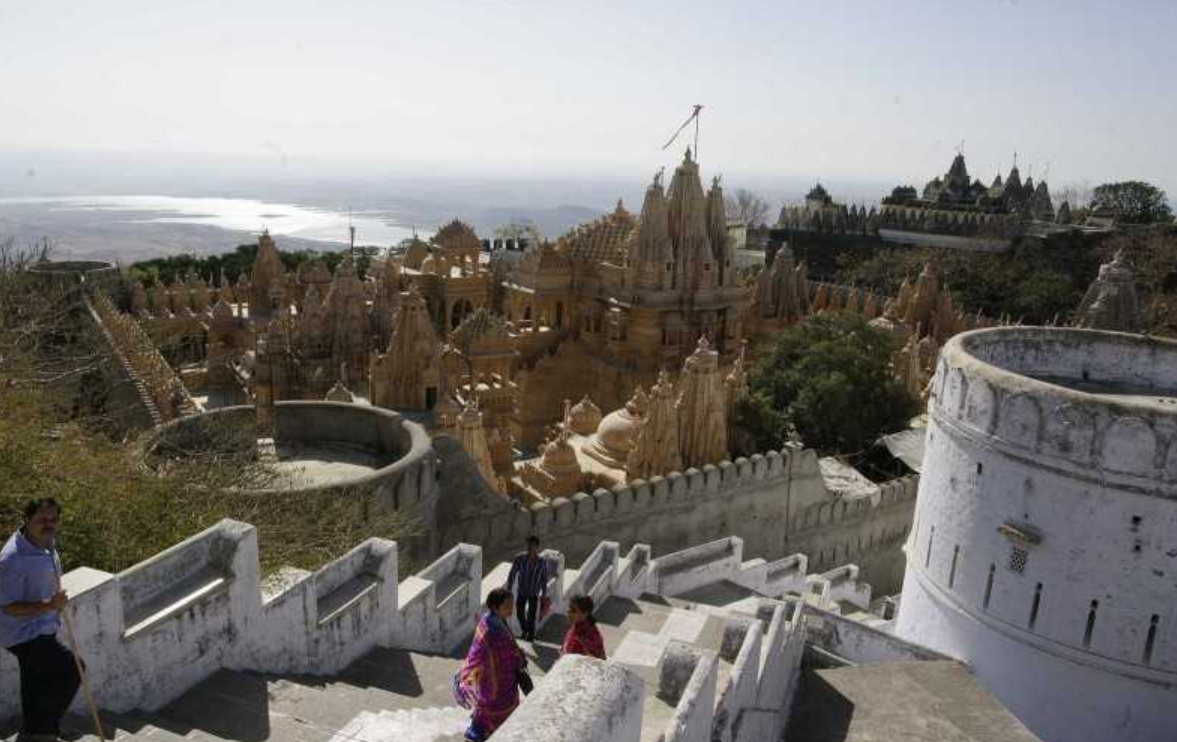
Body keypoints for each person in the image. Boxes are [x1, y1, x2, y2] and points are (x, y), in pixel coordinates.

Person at [0, 499, 82, 742]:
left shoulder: (45, 541)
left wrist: (51, 608)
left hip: (43, 625)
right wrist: (49, 605)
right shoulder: (12, 559)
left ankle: (34, 731)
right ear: (27, 519)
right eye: (42, 520)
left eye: (53, 519)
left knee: (35, 682)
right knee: (73, 670)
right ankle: (44, 732)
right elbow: (7, 607)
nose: (49, 524)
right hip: (22, 633)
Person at [455, 588, 526, 741]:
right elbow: (482, 654)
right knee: (486, 720)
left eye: (512, 605)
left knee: (494, 719)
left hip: (506, 684)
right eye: (507, 606)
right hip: (493, 685)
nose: (511, 609)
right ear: (495, 607)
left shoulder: (492, 621)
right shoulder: (491, 631)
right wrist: (517, 657)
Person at [505, 536, 547, 641]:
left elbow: (544, 578)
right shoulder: (520, 558)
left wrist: (544, 593)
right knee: (519, 613)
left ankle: (530, 636)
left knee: (531, 615)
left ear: (537, 547)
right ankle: (525, 630)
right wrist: (509, 588)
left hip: (534, 593)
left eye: (532, 546)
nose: (529, 548)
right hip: (522, 591)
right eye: (528, 545)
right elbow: (513, 573)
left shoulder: (542, 561)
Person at [560, 594, 606, 660]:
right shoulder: (575, 628)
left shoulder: (589, 635)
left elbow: (599, 660)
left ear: (585, 614)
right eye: (569, 607)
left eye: (573, 610)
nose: (568, 611)